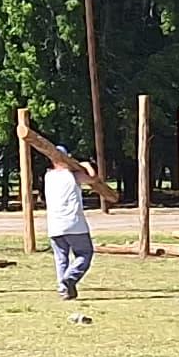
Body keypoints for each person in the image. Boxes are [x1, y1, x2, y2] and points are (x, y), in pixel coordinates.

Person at [27, 129, 105, 300]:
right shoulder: (73, 176)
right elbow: (93, 178)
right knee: (85, 254)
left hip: (54, 226)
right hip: (74, 224)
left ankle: (63, 289)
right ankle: (69, 279)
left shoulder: (49, 177)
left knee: (60, 257)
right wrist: (84, 164)